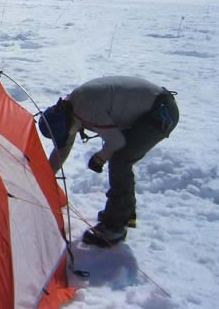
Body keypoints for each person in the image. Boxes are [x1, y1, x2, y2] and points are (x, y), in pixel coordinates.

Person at [38, 76, 179, 247]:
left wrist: (99, 158)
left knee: (120, 159)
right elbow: (63, 148)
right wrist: (45, 179)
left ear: (66, 125)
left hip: (161, 112)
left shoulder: (85, 108)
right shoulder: (69, 109)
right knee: (119, 157)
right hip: (154, 105)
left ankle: (114, 227)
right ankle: (124, 212)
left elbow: (116, 142)